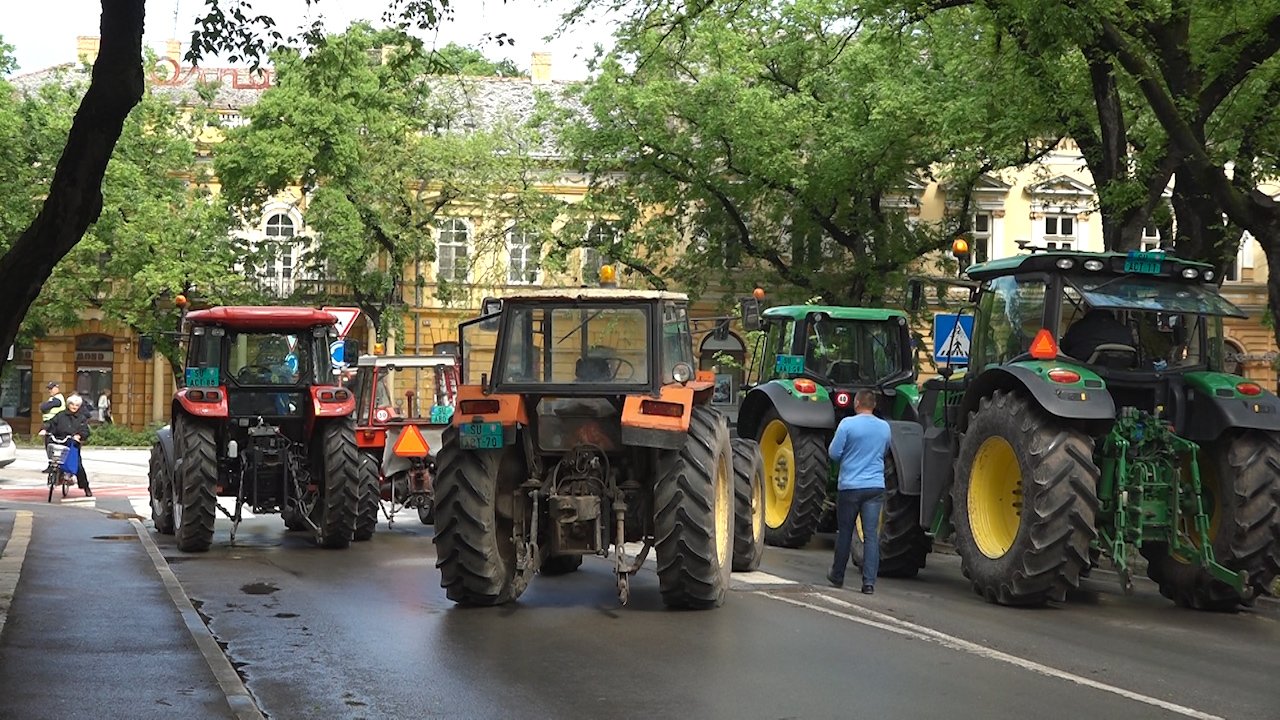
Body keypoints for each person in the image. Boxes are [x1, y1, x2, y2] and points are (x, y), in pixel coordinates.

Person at [826, 389, 892, 594]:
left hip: (850, 487)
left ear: (856, 403)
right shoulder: (884, 428)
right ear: (873, 405)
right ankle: (869, 583)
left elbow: (833, 453)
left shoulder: (847, 425)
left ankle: (838, 575)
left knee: (845, 532)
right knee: (871, 535)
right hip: (875, 487)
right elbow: (885, 451)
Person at [44, 394, 93, 497]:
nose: (74, 407)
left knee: (78, 466)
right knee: (55, 460)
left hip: (72, 443)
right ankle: (58, 476)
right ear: (68, 404)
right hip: (59, 441)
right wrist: (45, 429)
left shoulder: (81, 418)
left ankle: (85, 487)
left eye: (77, 405)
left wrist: (79, 436)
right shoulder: (60, 415)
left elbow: (85, 430)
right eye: (72, 404)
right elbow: (51, 423)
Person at [1061, 308, 1133, 362]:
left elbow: (1064, 348)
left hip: (1083, 369)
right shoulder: (1125, 330)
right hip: (1122, 375)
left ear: (1087, 308)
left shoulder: (1079, 327)